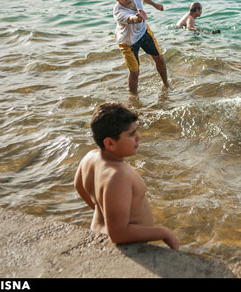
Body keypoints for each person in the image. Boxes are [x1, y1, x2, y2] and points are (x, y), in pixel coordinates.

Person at [74, 102, 179, 250]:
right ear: (110, 143)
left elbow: (78, 185)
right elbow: (118, 234)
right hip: (127, 245)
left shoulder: (90, 158)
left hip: (100, 231)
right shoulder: (117, 177)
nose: (138, 137)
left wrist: (102, 210)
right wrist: (163, 232)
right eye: (131, 134)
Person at [109, 0, 170, 95]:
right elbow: (130, 19)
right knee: (134, 71)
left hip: (143, 32)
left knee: (160, 59)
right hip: (127, 42)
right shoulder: (118, 12)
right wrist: (137, 18)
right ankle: (134, 97)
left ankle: (166, 85)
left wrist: (155, 5)